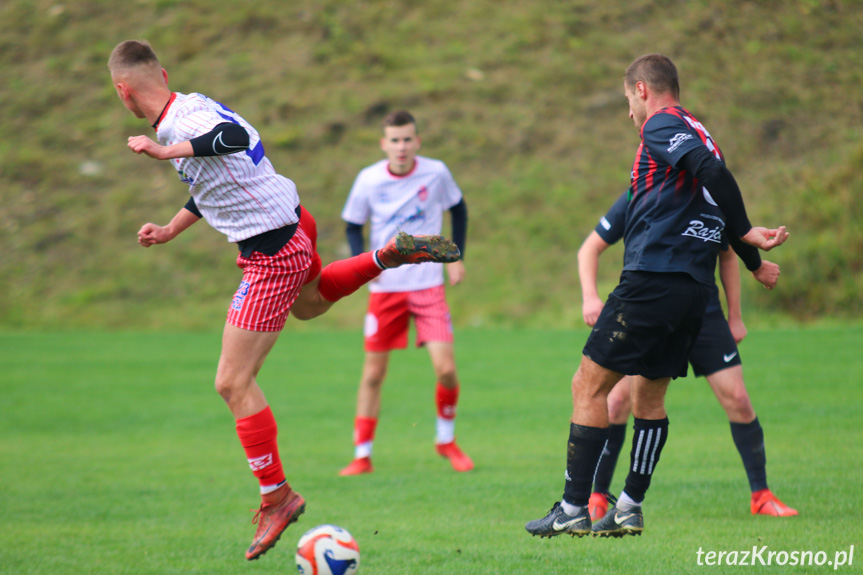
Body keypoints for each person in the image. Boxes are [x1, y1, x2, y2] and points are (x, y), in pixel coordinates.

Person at [107, 40, 461, 561]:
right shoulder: (187, 108)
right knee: (312, 303)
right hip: (292, 222)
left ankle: (277, 496)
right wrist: (170, 229)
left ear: (122, 91)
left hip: (272, 249)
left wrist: (165, 152)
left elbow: (231, 138)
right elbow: (210, 181)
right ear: (161, 72)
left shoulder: (181, 126)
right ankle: (389, 254)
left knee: (232, 381)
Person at [525, 53, 789, 539]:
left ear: (643, 90)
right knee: (648, 397)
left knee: (588, 387)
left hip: (652, 279)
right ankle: (628, 506)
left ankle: (572, 507)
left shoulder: (662, 125)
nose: (629, 113)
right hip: (693, 289)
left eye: (628, 99)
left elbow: (711, 176)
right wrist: (752, 261)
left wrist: (748, 231)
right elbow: (715, 186)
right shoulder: (701, 131)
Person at [578, 193, 797, 522]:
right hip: (653, 309)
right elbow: (589, 248)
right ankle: (599, 496)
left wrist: (734, 316)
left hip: (704, 311)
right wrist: (590, 297)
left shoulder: (713, 197)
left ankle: (761, 495)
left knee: (737, 397)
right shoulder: (643, 194)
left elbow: (727, 254)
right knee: (618, 401)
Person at [338, 110, 473, 476]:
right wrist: (362, 267)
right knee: (372, 375)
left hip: (429, 285)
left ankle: (446, 440)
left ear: (418, 141)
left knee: (446, 370)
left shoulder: (436, 172)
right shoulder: (368, 179)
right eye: (394, 140)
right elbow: (353, 225)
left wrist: (456, 257)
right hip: (386, 288)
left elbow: (458, 210)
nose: (401, 147)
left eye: (407, 139)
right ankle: (362, 455)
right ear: (384, 144)